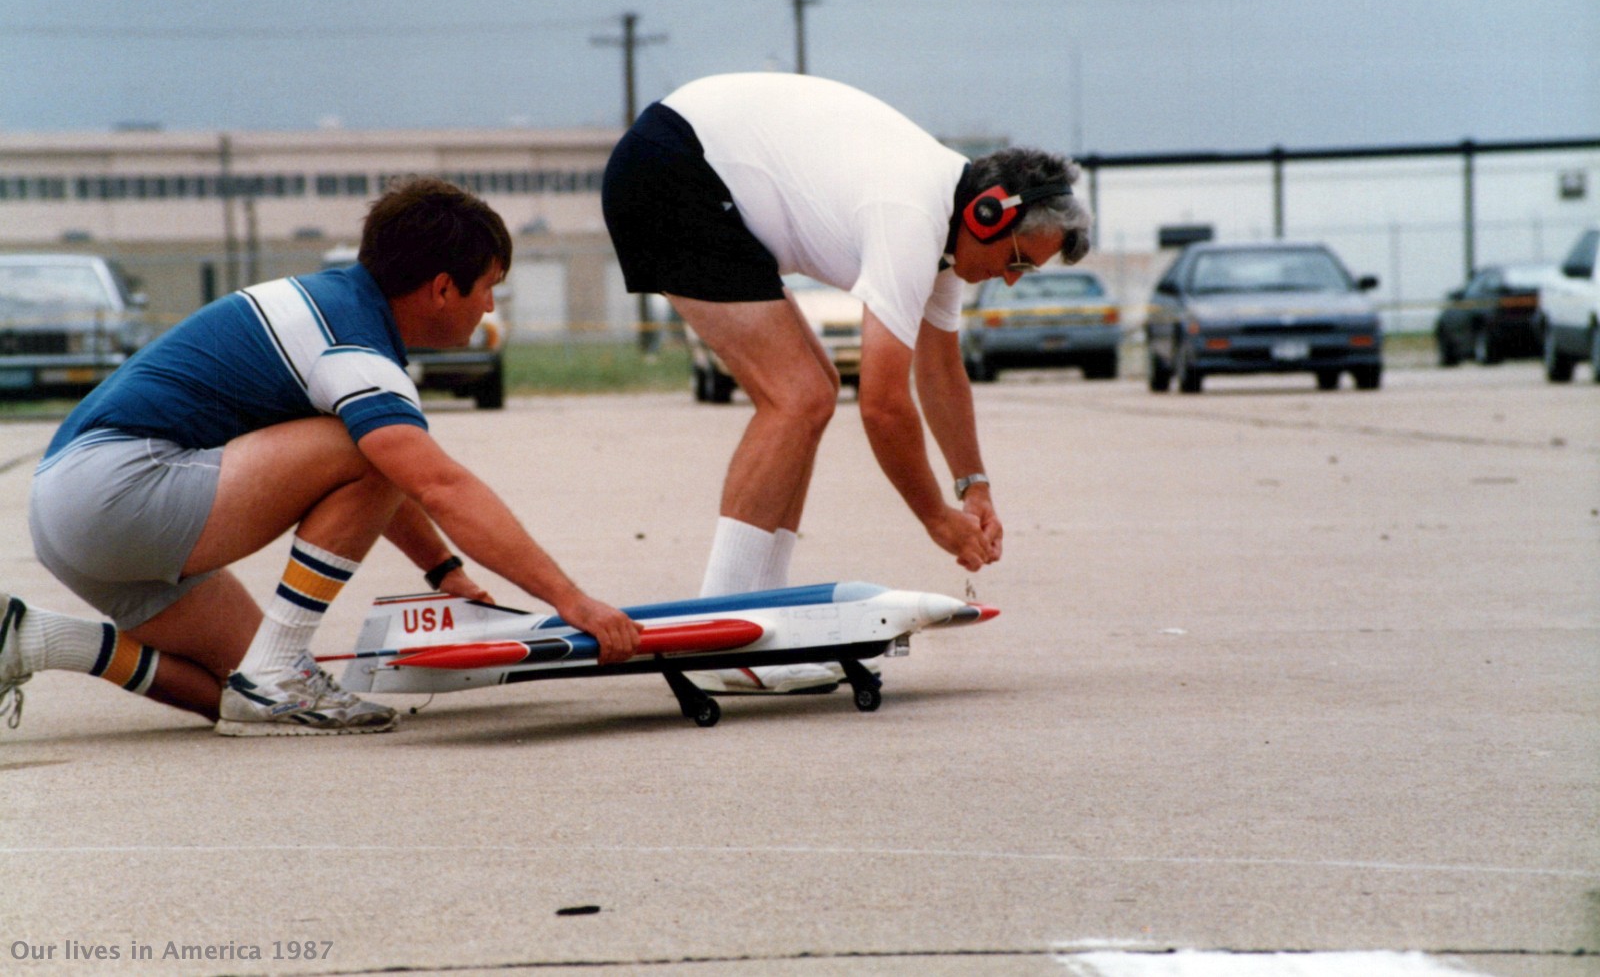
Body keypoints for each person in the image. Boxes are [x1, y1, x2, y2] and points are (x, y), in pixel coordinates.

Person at [1, 177, 639, 737]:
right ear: (444, 288)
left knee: (245, 697)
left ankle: (41, 639)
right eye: (490, 288)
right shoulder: (355, 348)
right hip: (118, 490)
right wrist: (572, 602)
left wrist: (443, 570)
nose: (491, 306)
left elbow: (382, 479)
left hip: (70, 507)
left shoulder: (333, 304)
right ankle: (279, 670)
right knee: (368, 456)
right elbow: (439, 485)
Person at [601, 73, 1092, 693]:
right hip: (672, 170)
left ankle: (755, 628)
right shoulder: (911, 213)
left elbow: (940, 370)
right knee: (799, 396)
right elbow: (884, 406)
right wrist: (935, 520)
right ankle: (721, 632)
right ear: (987, 215)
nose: (1013, 279)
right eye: (1019, 260)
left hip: (688, 164)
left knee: (810, 390)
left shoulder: (946, 230)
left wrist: (975, 487)